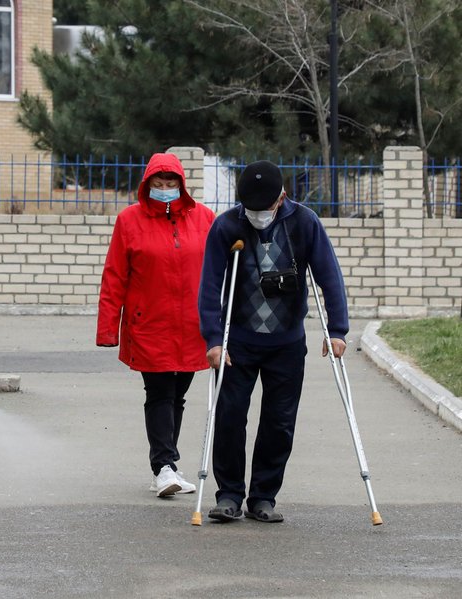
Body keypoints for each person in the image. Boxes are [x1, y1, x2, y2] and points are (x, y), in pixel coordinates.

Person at [198, 160, 348, 523]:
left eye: (264, 208)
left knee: (279, 422)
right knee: (231, 417)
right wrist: (214, 339)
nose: (258, 214)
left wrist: (338, 329)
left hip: (287, 342)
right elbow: (209, 287)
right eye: (252, 209)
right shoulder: (227, 226)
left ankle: (263, 496)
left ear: (281, 198)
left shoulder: (304, 222)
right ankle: (229, 494)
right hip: (238, 342)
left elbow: (329, 276)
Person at [96, 152, 215, 497]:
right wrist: (108, 329)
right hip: (149, 324)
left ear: (182, 185)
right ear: (147, 186)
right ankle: (163, 466)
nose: (165, 190)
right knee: (160, 392)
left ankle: (168, 467)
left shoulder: (204, 218)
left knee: (178, 395)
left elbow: (220, 269)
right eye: (158, 185)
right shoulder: (129, 221)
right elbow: (115, 275)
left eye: (170, 183)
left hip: (193, 325)